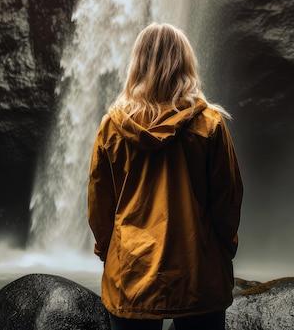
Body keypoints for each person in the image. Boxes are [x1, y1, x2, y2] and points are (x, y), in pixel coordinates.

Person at [87, 22, 243, 330]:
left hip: (132, 269)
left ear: (138, 65)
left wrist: (109, 252)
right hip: (199, 269)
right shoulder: (210, 125)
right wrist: (225, 249)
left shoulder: (112, 126)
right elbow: (228, 201)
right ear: (185, 64)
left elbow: (99, 205)